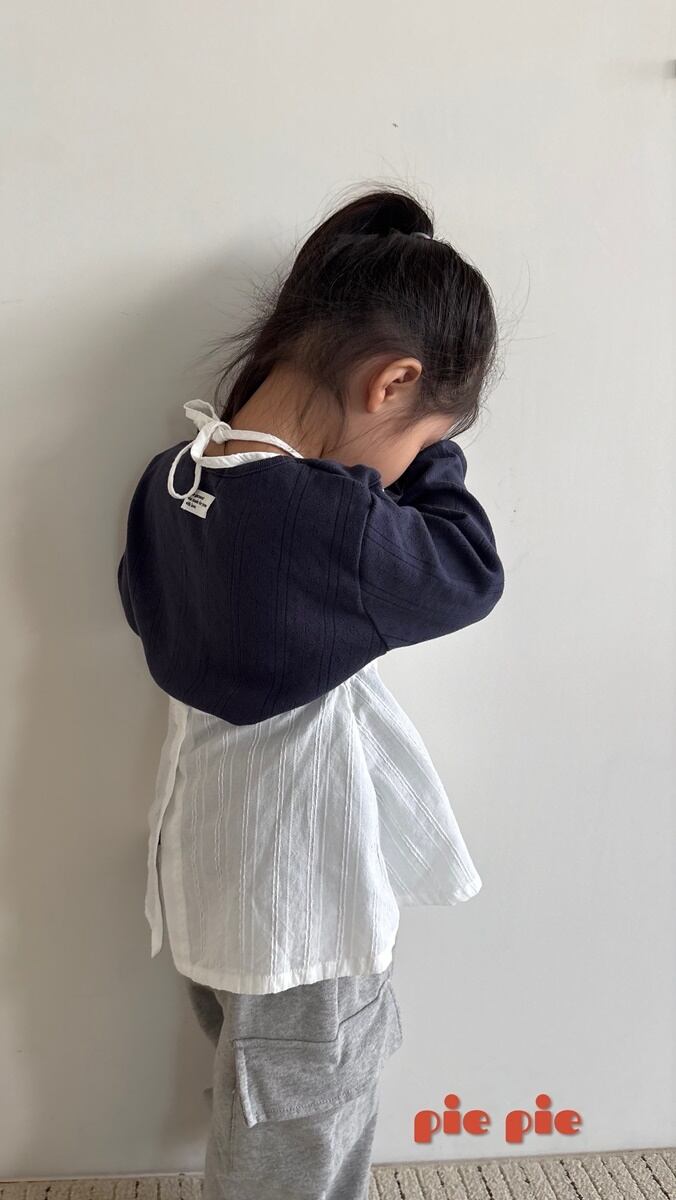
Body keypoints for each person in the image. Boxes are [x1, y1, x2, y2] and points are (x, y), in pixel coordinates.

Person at [115, 185, 506, 1199]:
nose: (407, 469)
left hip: (208, 874)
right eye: (419, 436)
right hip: (304, 898)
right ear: (392, 383)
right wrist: (434, 453)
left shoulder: (170, 482)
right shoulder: (336, 524)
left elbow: (143, 608)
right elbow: (469, 570)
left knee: (258, 1105)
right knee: (303, 1136)